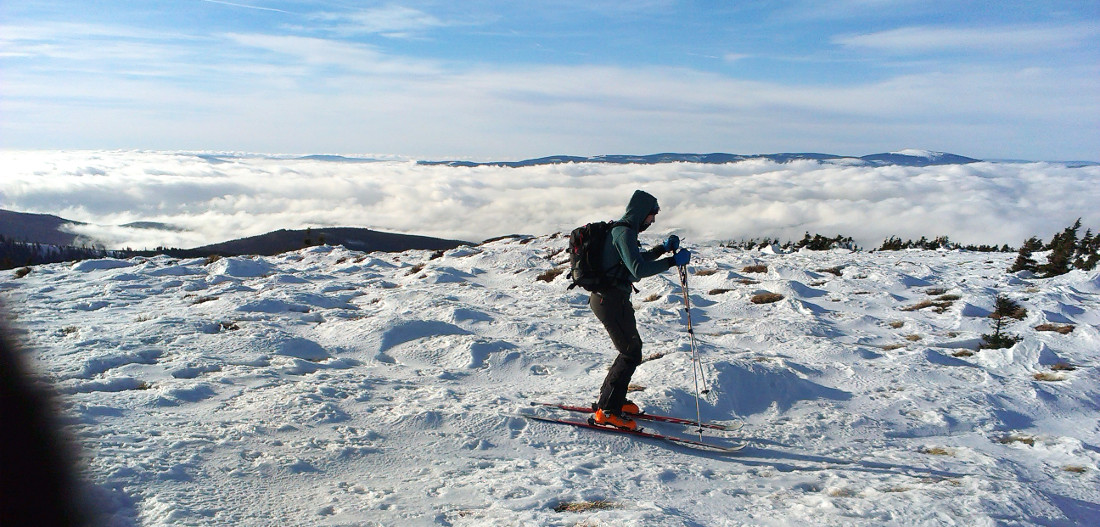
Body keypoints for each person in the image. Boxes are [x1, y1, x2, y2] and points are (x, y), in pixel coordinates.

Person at [589, 190, 690, 430]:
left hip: (609, 299)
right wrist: (671, 261)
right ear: (642, 213)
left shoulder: (622, 231)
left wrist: (661, 249)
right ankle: (608, 411)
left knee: (630, 350)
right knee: (630, 353)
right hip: (610, 301)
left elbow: (633, 260)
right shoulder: (624, 233)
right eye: (652, 216)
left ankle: (611, 401)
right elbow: (637, 270)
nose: (652, 221)